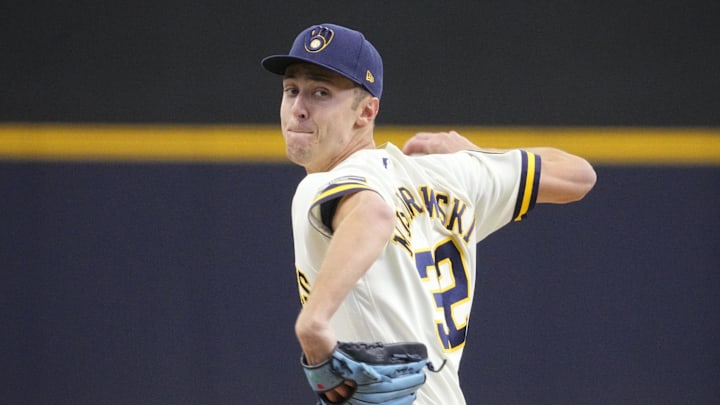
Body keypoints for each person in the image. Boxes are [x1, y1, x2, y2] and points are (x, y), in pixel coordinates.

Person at [261, 23, 596, 404]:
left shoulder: (322, 186)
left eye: (321, 92)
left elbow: (371, 214)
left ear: (366, 111)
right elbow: (579, 176)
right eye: (292, 90)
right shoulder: (449, 176)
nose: (299, 108)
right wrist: (475, 153)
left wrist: (312, 322)